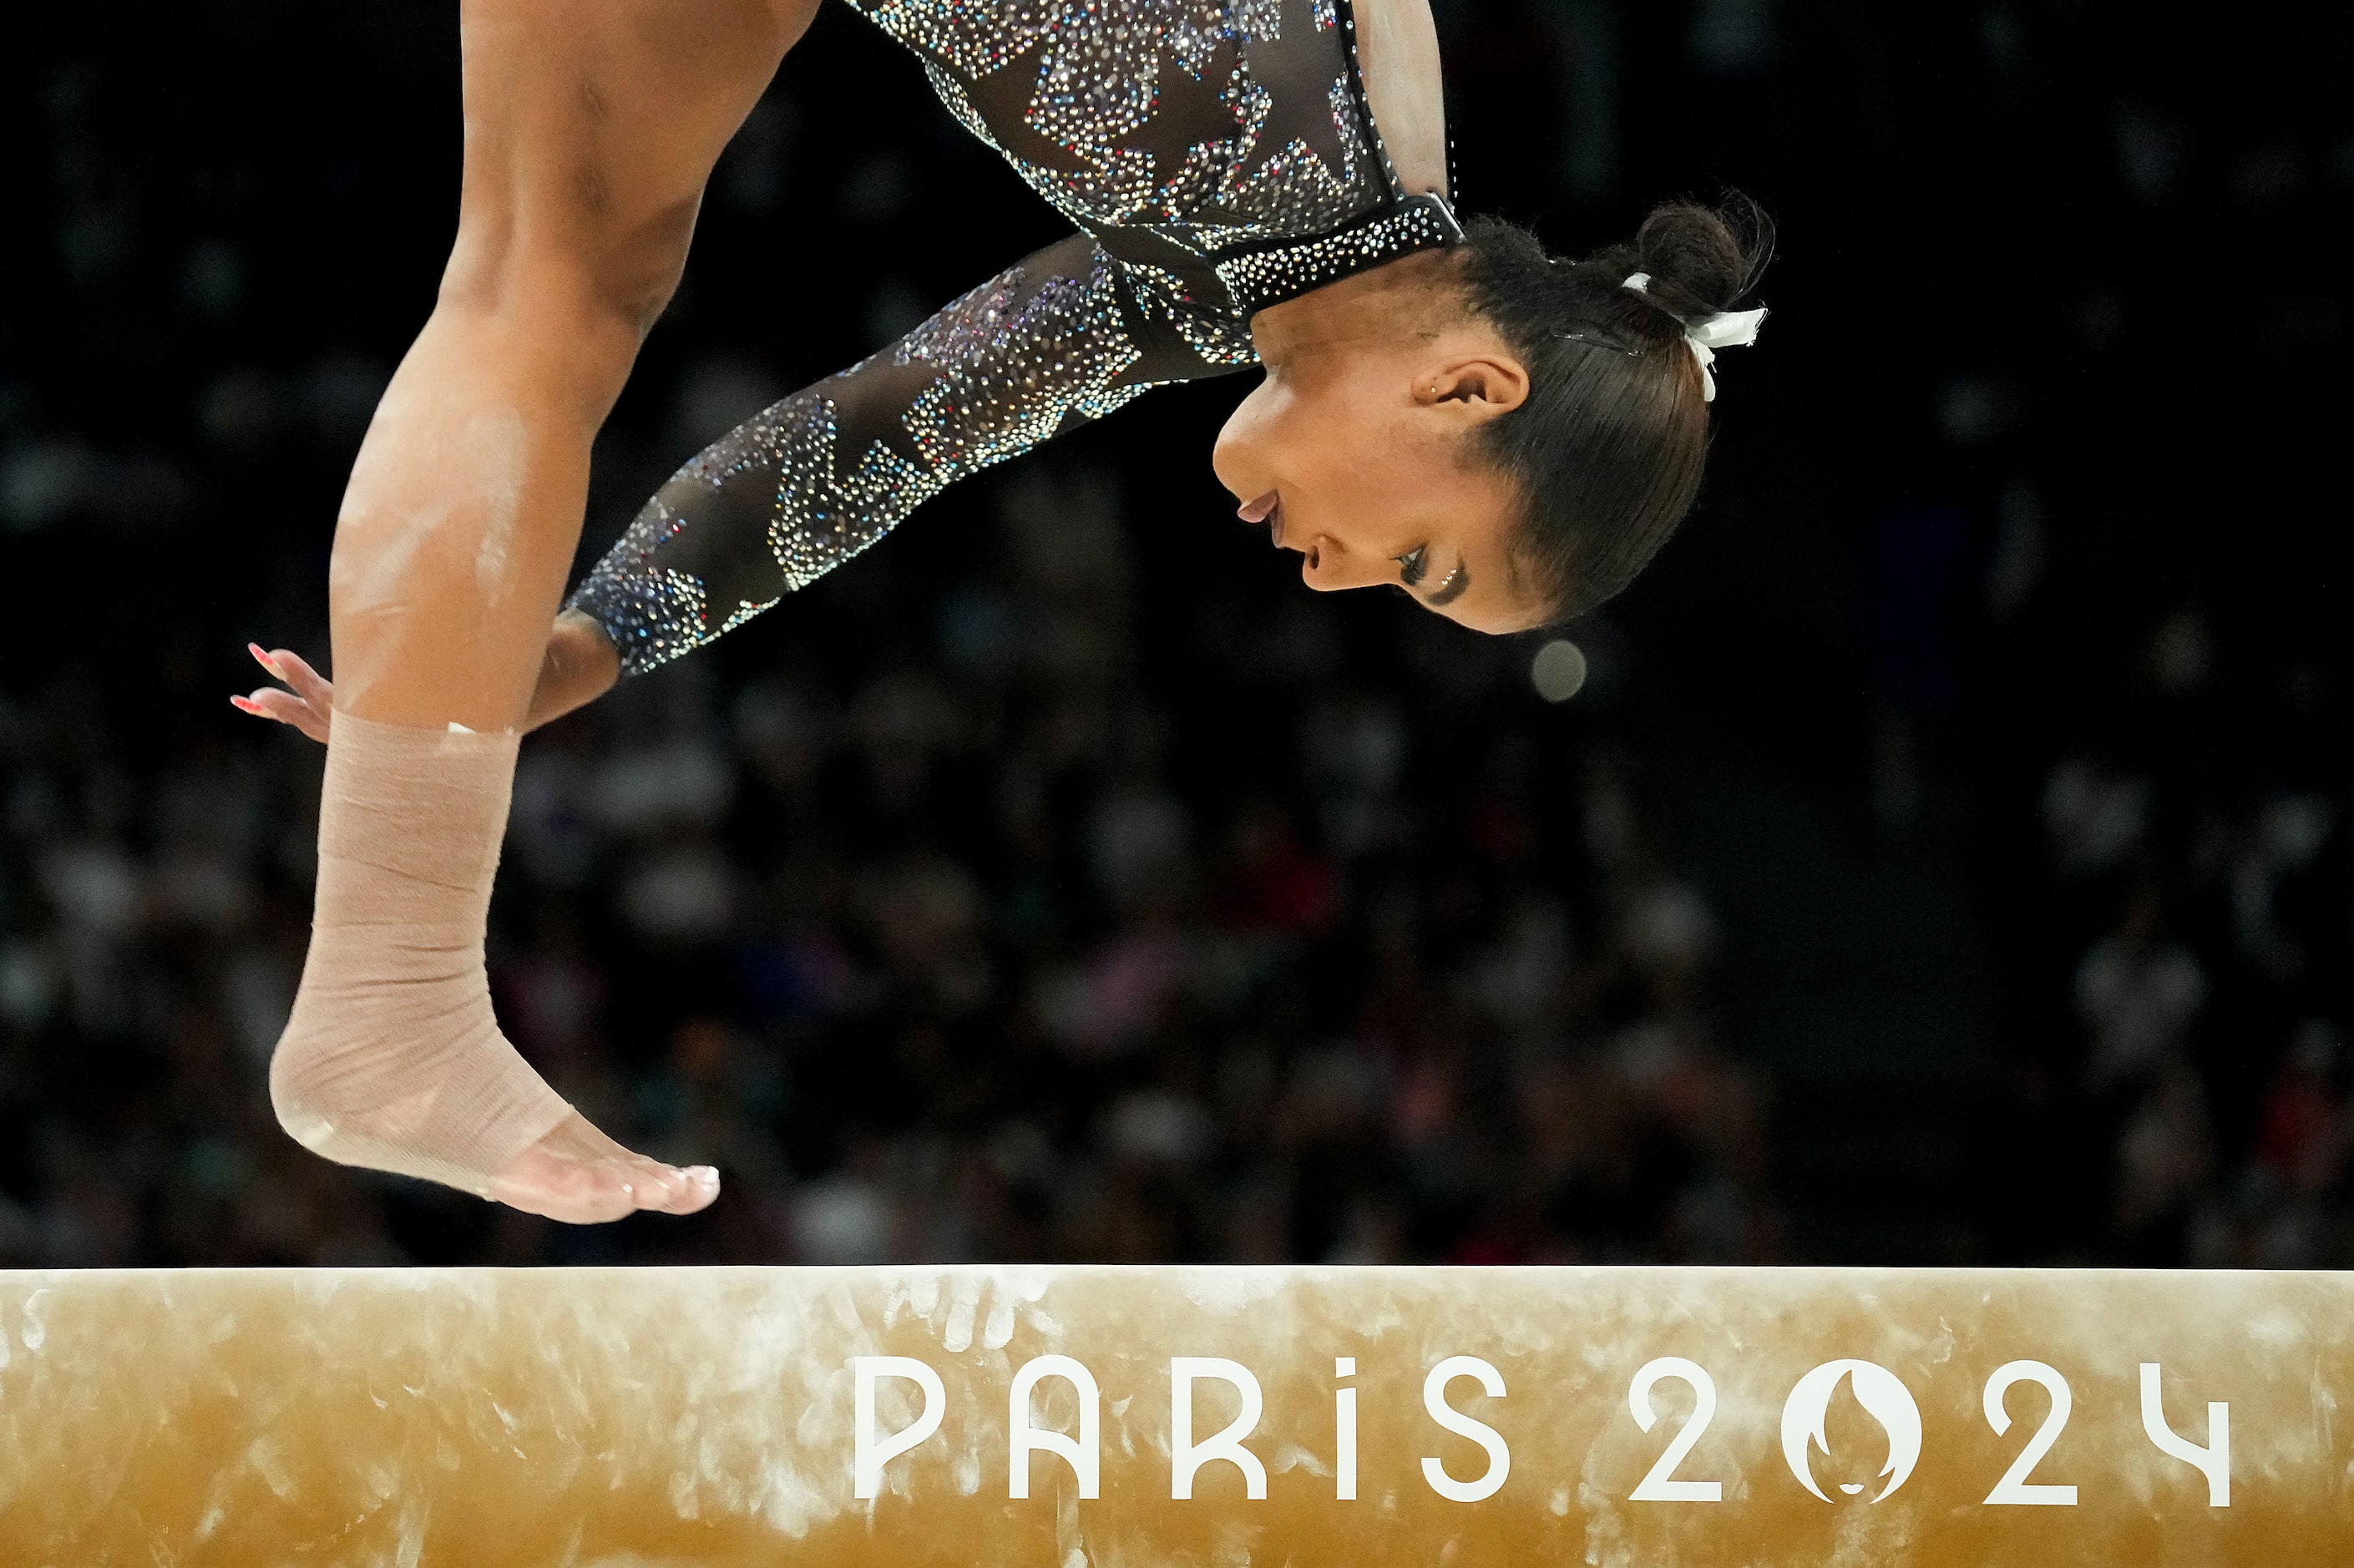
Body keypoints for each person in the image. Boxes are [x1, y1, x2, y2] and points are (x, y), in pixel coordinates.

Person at [236, 0, 1771, 1224]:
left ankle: (387, 989)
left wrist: (585, 639)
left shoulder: (1266, 243)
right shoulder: (1273, 135)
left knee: (550, 284)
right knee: (545, 291)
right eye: (1421, 559)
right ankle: (386, 1002)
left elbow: (888, 434)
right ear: (1468, 386)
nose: (1340, 578)